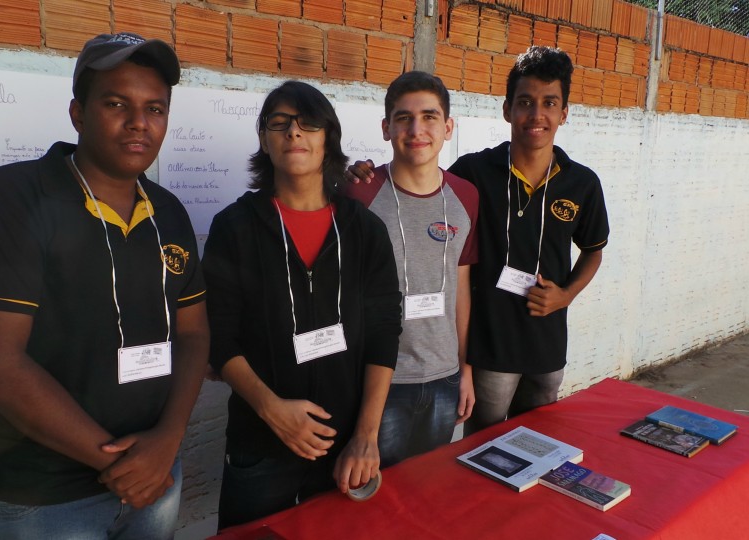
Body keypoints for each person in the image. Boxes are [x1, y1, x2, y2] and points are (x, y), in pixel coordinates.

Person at [0, 32, 209, 539]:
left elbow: (194, 334)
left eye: (155, 108)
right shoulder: (12, 198)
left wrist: (167, 443)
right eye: (115, 103)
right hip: (41, 499)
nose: (138, 123)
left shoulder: (168, 212)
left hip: (155, 479)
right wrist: (125, 465)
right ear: (78, 113)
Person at [348, 46, 609, 435]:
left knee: (538, 441)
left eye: (549, 103)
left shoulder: (582, 183)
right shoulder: (473, 172)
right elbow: (422, 184)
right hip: (490, 345)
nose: (536, 115)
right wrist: (365, 173)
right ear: (507, 110)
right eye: (525, 102)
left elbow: (593, 252)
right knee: (484, 448)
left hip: (548, 342)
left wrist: (566, 294)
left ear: (564, 113)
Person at [201, 81, 402, 529]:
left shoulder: (364, 230)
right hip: (261, 442)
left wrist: (366, 437)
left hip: (344, 441)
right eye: (280, 124)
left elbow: (384, 333)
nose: (294, 133)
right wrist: (274, 412)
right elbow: (218, 335)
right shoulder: (234, 228)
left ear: (327, 138)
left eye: (308, 124)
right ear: (264, 140)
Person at [341, 71, 479, 468]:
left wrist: (465, 369)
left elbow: (462, 287)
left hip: (444, 377)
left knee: (428, 491)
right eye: (403, 118)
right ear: (386, 128)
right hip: (379, 382)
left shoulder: (465, 197)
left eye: (430, 117)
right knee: (371, 496)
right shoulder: (360, 193)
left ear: (448, 127)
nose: (417, 129)